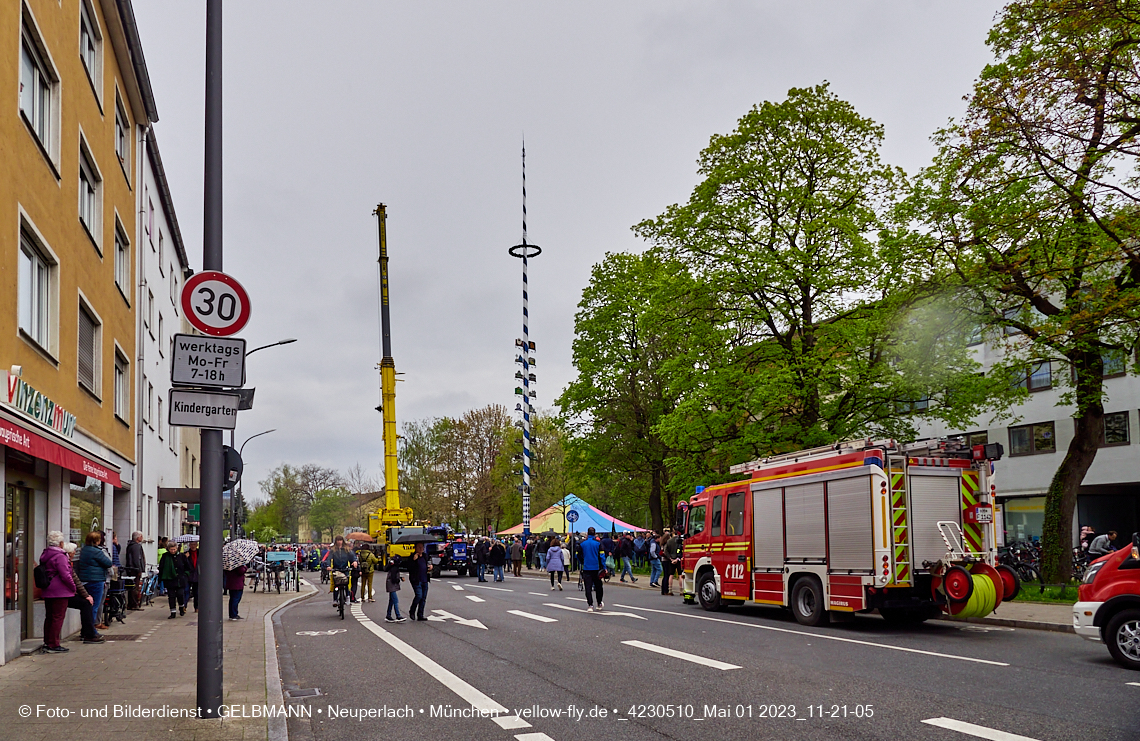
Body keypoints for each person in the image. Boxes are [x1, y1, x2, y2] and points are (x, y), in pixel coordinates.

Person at [39, 530, 76, 652]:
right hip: (60, 590)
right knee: (58, 617)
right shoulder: (60, 556)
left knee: (49, 616)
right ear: (60, 543)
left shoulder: (45, 554)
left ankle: (47, 641)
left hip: (48, 588)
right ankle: (54, 644)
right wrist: (73, 587)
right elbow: (65, 574)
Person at [64, 542, 103, 644]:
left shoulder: (67, 562)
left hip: (64, 592)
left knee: (86, 604)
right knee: (86, 604)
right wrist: (83, 594)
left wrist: (85, 595)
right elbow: (72, 579)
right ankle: (89, 634)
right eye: (74, 551)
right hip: (62, 593)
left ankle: (87, 632)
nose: (75, 553)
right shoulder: (64, 562)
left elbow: (75, 579)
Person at [79, 532, 112, 629]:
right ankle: (91, 629)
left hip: (85, 580)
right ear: (97, 541)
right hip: (96, 580)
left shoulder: (84, 550)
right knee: (94, 605)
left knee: (87, 605)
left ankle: (85, 628)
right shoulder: (96, 551)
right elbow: (108, 562)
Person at [158, 541, 187, 618]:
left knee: (180, 594)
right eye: (171, 549)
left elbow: (187, 567)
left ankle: (181, 607)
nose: (173, 551)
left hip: (180, 579)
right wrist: (160, 578)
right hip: (169, 579)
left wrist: (185, 575)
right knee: (171, 596)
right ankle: (173, 612)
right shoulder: (165, 556)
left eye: (174, 549)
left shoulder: (181, 556)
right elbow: (161, 567)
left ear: (177, 548)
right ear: (168, 549)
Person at [579, 528, 604, 611]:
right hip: (596, 568)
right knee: (598, 587)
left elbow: (578, 555)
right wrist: (604, 567)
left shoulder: (582, 544)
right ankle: (599, 603)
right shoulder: (598, 543)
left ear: (587, 534)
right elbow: (602, 556)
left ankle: (590, 605)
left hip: (586, 568)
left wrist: (582, 562)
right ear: (595, 534)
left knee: (588, 587)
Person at [328, 536, 357, 604]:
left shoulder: (347, 549)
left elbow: (353, 557)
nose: (339, 542)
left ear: (342, 541)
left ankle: (347, 596)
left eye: (340, 540)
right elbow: (329, 559)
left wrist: (354, 561)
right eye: (338, 540)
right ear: (336, 541)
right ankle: (335, 599)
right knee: (336, 584)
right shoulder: (333, 550)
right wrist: (328, 566)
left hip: (345, 568)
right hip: (336, 569)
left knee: (346, 583)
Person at [407, 542, 430, 621]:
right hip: (416, 580)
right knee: (419, 595)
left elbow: (426, 566)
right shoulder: (412, 557)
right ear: (415, 548)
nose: (421, 549)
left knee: (423, 598)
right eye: (419, 547)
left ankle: (420, 614)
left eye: (422, 547)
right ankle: (412, 611)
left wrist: (429, 567)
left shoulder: (425, 556)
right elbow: (409, 568)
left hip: (424, 579)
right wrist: (414, 560)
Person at [125, 531, 146, 610]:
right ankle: (133, 604)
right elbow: (137, 558)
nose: (142, 538)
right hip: (135, 569)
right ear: (138, 538)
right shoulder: (136, 546)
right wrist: (139, 569)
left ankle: (132, 604)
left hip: (131, 569)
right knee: (135, 587)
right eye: (141, 536)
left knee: (132, 587)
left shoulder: (130, 546)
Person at [385, 557, 406, 623]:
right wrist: (398, 579)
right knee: (395, 600)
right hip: (392, 585)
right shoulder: (395, 568)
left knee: (391, 601)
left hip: (389, 584)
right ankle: (398, 615)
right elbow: (394, 579)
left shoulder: (391, 567)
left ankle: (388, 615)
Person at [665, 530, 683, 596]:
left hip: (671, 559)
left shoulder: (669, 541)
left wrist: (670, 558)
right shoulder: (680, 541)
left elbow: (665, 550)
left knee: (671, 575)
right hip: (679, 559)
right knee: (680, 575)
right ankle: (681, 590)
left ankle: (670, 590)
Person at [183, 541, 200, 612]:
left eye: (194, 544)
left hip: (197, 575)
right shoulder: (186, 554)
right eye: (191, 544)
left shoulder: (200, 553)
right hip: (188, 575)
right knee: (186, 591)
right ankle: (184, 606)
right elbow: (182, 564)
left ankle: (197, 607)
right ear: (189, 545)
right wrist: (185, 558)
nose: (193, 546)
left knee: (196, 593)